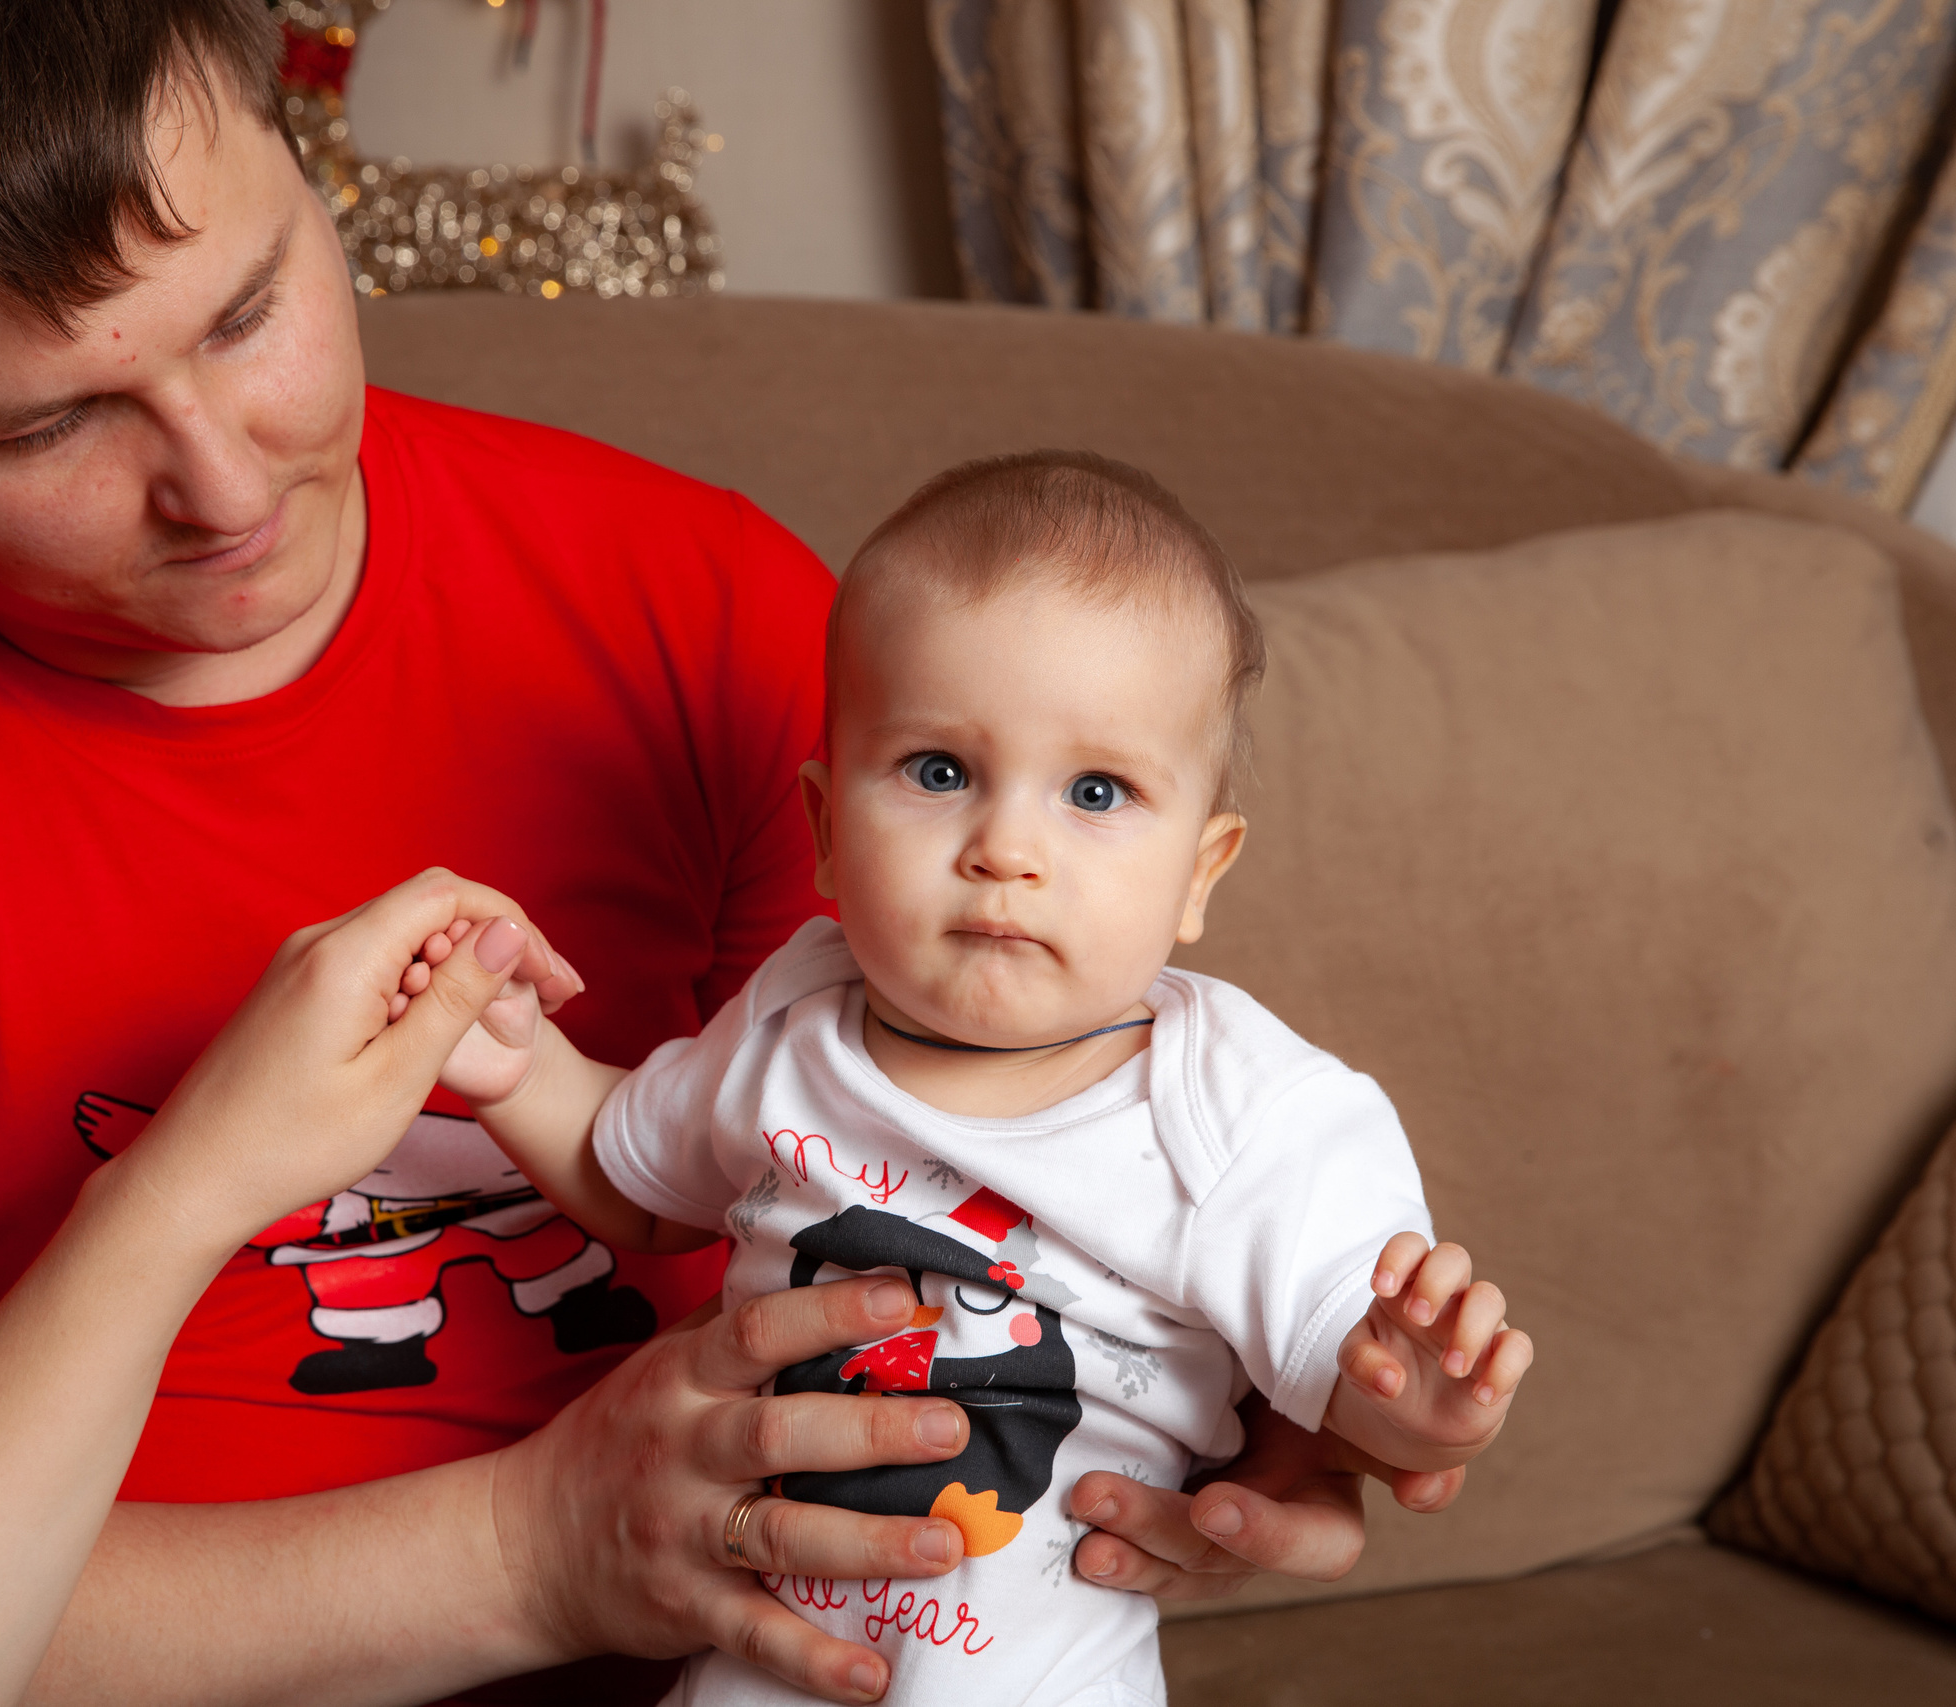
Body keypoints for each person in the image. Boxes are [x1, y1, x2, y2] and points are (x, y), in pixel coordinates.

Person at [0, 4, 1470, 1704]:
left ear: (309, 162)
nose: (223, 487)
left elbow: (1026, 1156)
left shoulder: (726, 629)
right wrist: (518, 1550)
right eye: (48, 423)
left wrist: (1260, 1404)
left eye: (245, 316)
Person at [410, 452, 1536, 1706]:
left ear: (1201, 871)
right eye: (939, 772)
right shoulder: (794, 1024)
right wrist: (515, 1063)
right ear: (829, 832)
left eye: (1095, 792)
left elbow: (1348, 1378)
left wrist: (1428, 1404)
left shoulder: (1240, 1108)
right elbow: (633, 1173)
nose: (1006, 849)